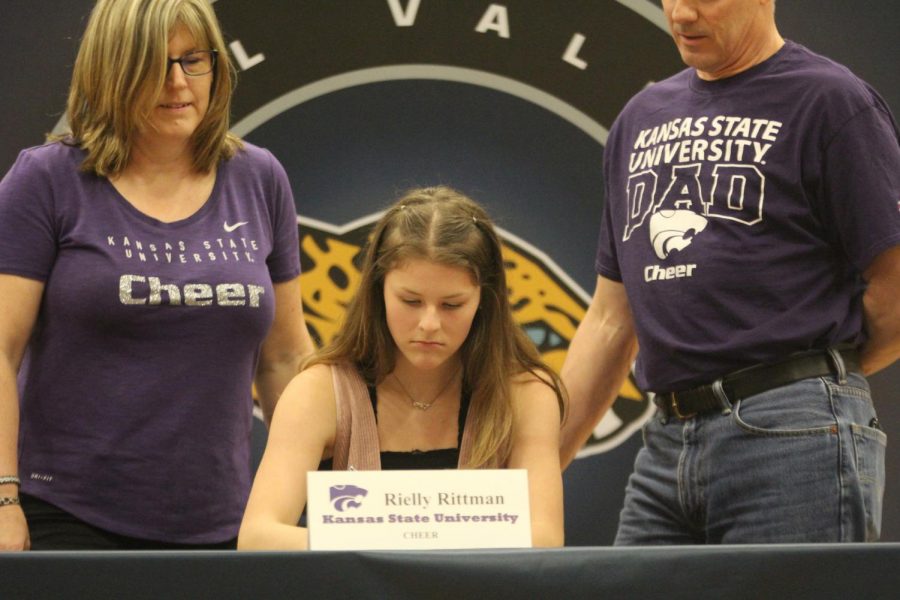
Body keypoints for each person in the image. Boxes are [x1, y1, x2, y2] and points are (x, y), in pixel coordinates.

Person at [560, 0, 900, 544]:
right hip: (667, 439)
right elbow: (608, 321)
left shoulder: (830, 101)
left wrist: (818, 380)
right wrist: (531, 475)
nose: (682, 14)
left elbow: (895, 290)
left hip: (795, 434)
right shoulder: (640, 118)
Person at [0, 0, 314, 551]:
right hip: (66, 518)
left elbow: (287, 358)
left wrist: (322, 495)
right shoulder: (47, 179)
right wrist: (2, 499)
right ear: (111, 69)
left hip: (229, 525)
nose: (178, 82)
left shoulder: (259, 177)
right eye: (154, 63)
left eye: (193, 60)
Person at [238, 187, 566, 549]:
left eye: (452, 305)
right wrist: (408, 541)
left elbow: (545, 539)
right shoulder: (318, 392)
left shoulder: (526, 393)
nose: (429, 323)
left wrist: (401, 544)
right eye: (410, 301)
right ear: (378, 291)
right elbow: (258, 537)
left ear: (484, 301)